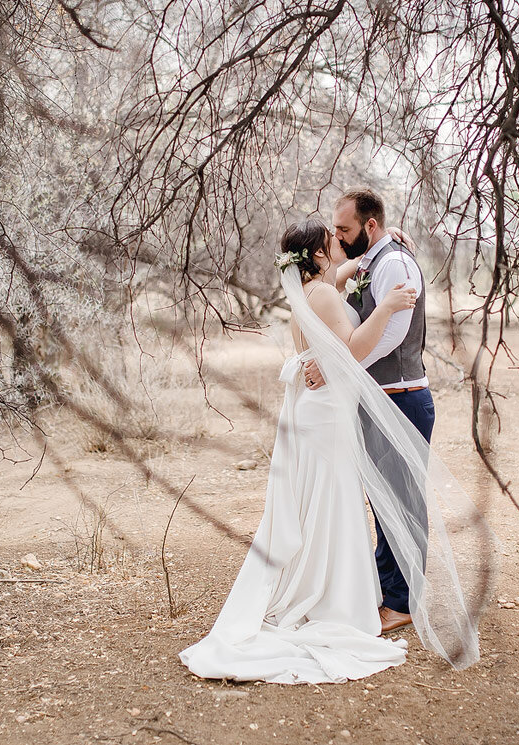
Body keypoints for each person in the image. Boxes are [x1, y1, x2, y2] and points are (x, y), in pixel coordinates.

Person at [179, 219, 418, 683]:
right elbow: (350, 350)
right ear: (318, 254)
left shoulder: (308, 293)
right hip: (326, 416)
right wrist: (386, 306)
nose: (340, 244)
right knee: (331, 503)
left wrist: (383, 245)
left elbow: (342, 275)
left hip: (317, 412)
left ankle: (317, 588)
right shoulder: (324, 296)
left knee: (319, 505)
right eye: (333, 242)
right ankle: (331, 601)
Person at [305, 188, 430, 635]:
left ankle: (402, 601)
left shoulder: (392, 263)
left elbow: (393, 331)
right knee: (382, 501)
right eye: (335, 230)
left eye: (345, 229)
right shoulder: (373, 258)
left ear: (369, 227)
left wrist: (338, 365)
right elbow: (337, 271)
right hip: (377, 396)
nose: (338, 235)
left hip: (400, 395)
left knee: (402, 500)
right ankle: (387, 588)